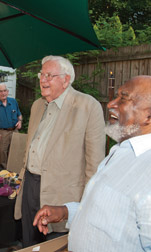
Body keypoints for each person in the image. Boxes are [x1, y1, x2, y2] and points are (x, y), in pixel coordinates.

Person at [33, 75, 151, 252]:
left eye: (123, 98)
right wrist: (66, 212)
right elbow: (112, 216)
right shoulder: (121, 153)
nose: (110, 104)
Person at [14, 55, 106, 247]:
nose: (42, 79)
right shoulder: (38, 105)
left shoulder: (88, 107)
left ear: (66, 80)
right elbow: (30, 148)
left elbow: (95, 165)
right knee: (29, 243)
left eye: (49, 75)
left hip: (62, 196)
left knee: (55, 246)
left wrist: (85, 207)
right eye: (42, 74)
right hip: (30, 186)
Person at [0, 83, 22, 169]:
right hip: (1, 132)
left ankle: (14, 174)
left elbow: (19, 115)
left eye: (4, 91)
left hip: (14, 131)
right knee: (1, 155)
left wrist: (20, 121)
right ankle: (2, 174)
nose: (3, 93)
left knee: (15, 154)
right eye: (0, 91)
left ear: (7, 92)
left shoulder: (13, 101)